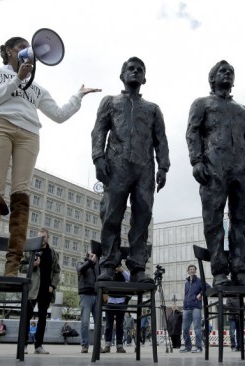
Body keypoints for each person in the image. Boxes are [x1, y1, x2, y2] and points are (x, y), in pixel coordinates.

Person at [0, 36, 100, 277]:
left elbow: (58, 114)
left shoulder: (37, 88)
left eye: (29, 49)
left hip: (29, 134)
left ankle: (13, 265)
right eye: (22, 47)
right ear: (8, 51)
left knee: (21, 195)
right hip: (0, 125)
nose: (27, 52)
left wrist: (78, 96)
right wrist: (17, 79)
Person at [186, 60, 245, 287]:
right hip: (213, 168)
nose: (227, 74)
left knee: (242, 221)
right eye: (222, 71)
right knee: (213, 220)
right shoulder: (202, 103)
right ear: (212, 78)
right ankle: (220, 272)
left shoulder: (244, 110)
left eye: (231, 72)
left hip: (242, 170)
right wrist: (196, 161)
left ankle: (239, 270)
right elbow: (192, 133)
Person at [91, 56, 169, 284]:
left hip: (144, 168)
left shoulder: (153, 109)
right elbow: (98, 131)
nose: (135, 72)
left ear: (144, 78)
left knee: (142, 216)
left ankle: (137, 266)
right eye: (131, 69)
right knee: (111, 215)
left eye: (139, 70)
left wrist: (163, 166)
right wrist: (98, 158)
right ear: (122, 75)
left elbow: (161, 140)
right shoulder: (110, 102)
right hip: (116, 165)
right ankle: (108, 264)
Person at [20, 228, 60, 354]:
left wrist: (52, 286)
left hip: (46, 290)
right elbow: (21, 267)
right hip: (32, 289)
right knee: (26, 317)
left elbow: (56, 271)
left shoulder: (52, 253)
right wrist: (33, 264)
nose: (42, 239)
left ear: (48, 238)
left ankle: (38, 346)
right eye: (39, 237)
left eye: (44, 237)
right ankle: (24, 345)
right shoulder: (30, 251)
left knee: (43, 318)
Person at [101, 266, 130, 353]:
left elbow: (129, 279)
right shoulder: (109, 272)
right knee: (109, 325)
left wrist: (123, 271)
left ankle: (119, 346)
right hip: (110, 301)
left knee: (120, 325)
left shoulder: (123, 273)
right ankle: (107, 345)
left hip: (121, 301)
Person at [181, 264, 207, 353]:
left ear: (195, 271)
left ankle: (199, 347)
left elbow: (208, 287)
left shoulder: (200, 281)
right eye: (190, 269)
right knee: (184, 329)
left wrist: (201, 293)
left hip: (196, 307)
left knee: (197, 329)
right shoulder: (186, 283)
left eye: (193, 269)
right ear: (188, 271)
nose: (192, 270)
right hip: (186, 308)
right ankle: (188, 347)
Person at [77, 251, 98, 353]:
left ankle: (97, 345)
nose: (92, 255)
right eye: (90, 254)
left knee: (98, 322)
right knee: (85, 322)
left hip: (96, 296)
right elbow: (81, 269)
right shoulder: (80, 263)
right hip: (85, 296)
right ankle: (84, 345)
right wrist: (90, 261)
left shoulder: (96, 266)